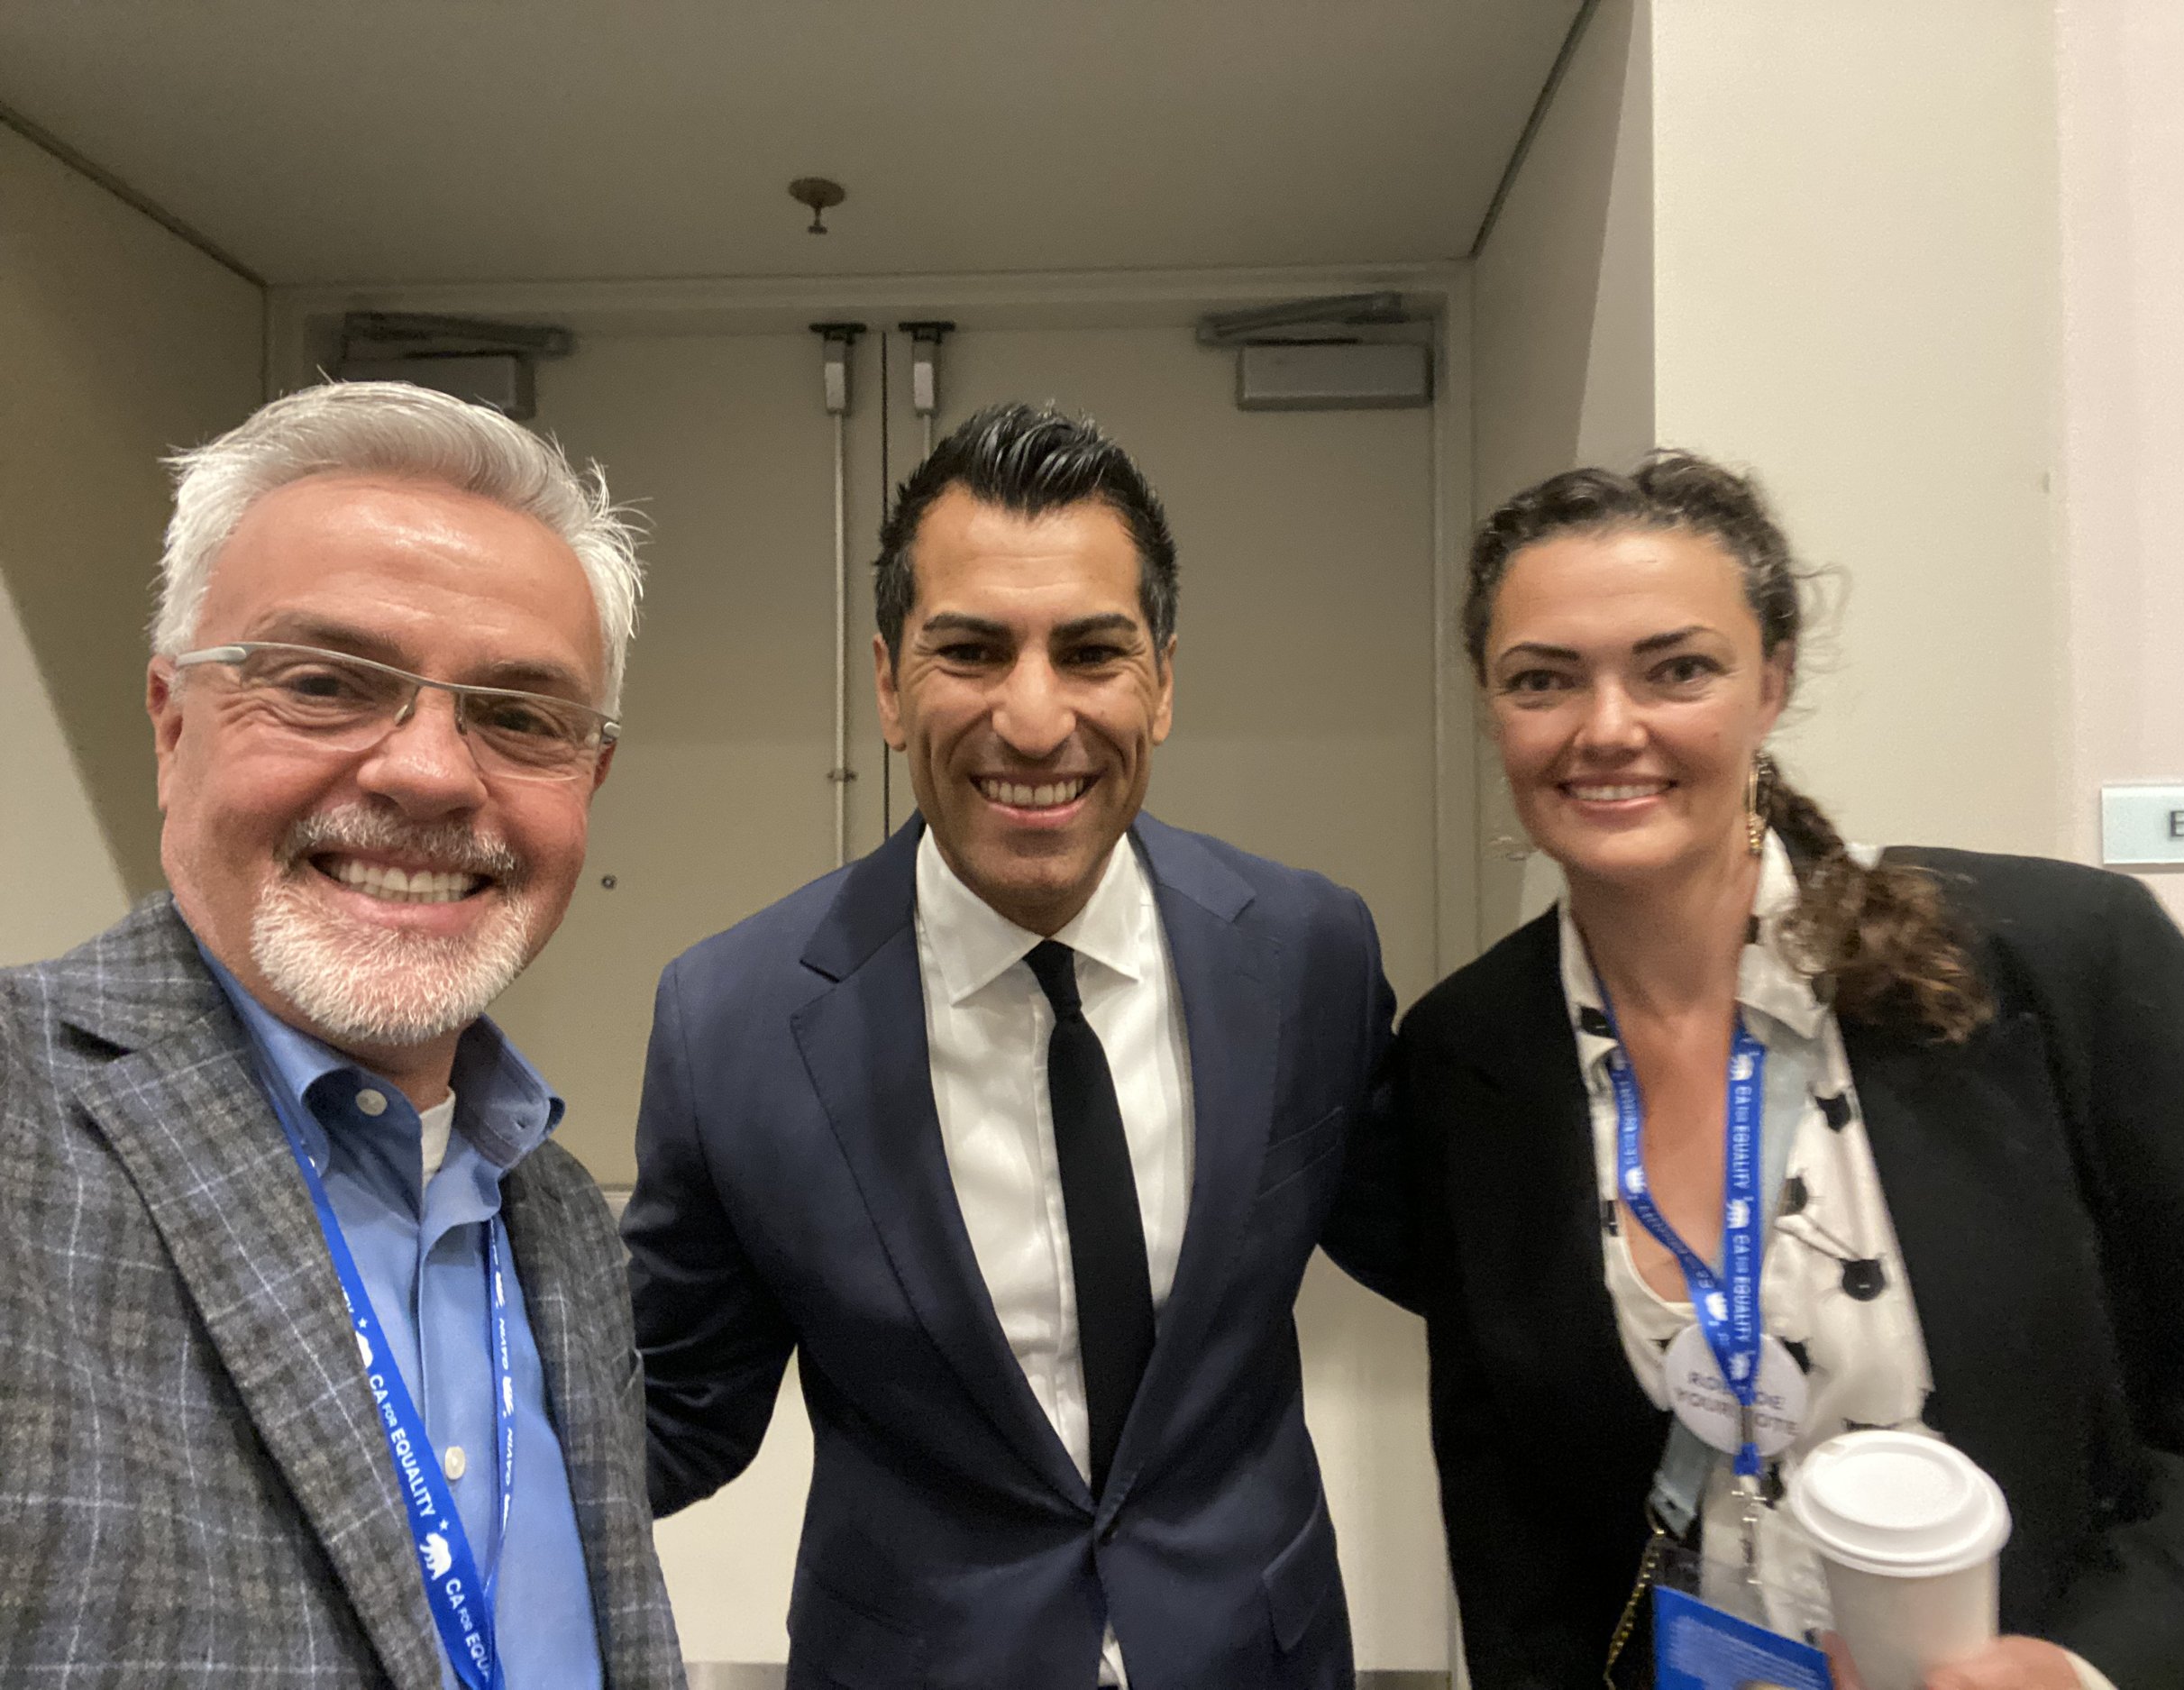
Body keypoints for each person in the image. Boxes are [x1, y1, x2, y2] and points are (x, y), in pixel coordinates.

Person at [1395, 452, 2184, 1689]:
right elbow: (1510, 1513)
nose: (1608, 728)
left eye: (1676, 668)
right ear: (1492, 706)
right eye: (1543, 681)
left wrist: (2091, 1669)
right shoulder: (1469, 1054)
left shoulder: (2057, 961)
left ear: (1772, 681)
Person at [623, 401, 1402, 1690]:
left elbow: (1454, 1246)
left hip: (1257, 1654)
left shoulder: (1308, 954)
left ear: (1162, 682)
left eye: (1092, 652)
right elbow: (672, 1411)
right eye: (971, 651)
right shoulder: (734, 1019)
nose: (1035, 722)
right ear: (886, 682)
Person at [0, 382, 686, 1688]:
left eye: (521, 716)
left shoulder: (554, 1218)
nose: (430, 773)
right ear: (171, 721)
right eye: (326, 684)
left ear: (587, 779)